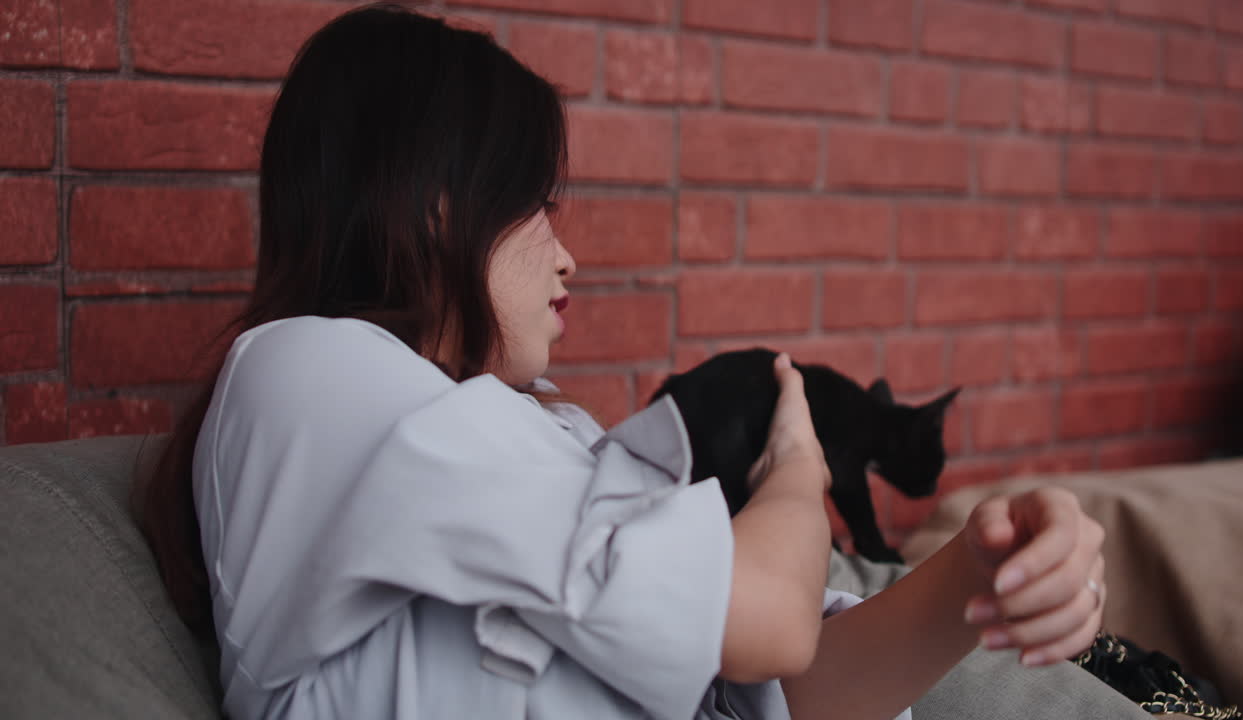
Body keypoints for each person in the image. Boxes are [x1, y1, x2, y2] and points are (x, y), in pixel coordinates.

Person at [133, 5, 1111, 719]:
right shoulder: (305, 370)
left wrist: (982, 566)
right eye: (538, 201)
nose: (566, 255)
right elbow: (764, 618)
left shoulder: (537, 432)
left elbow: (794, 684)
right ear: (436, 200)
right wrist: (798, 472)